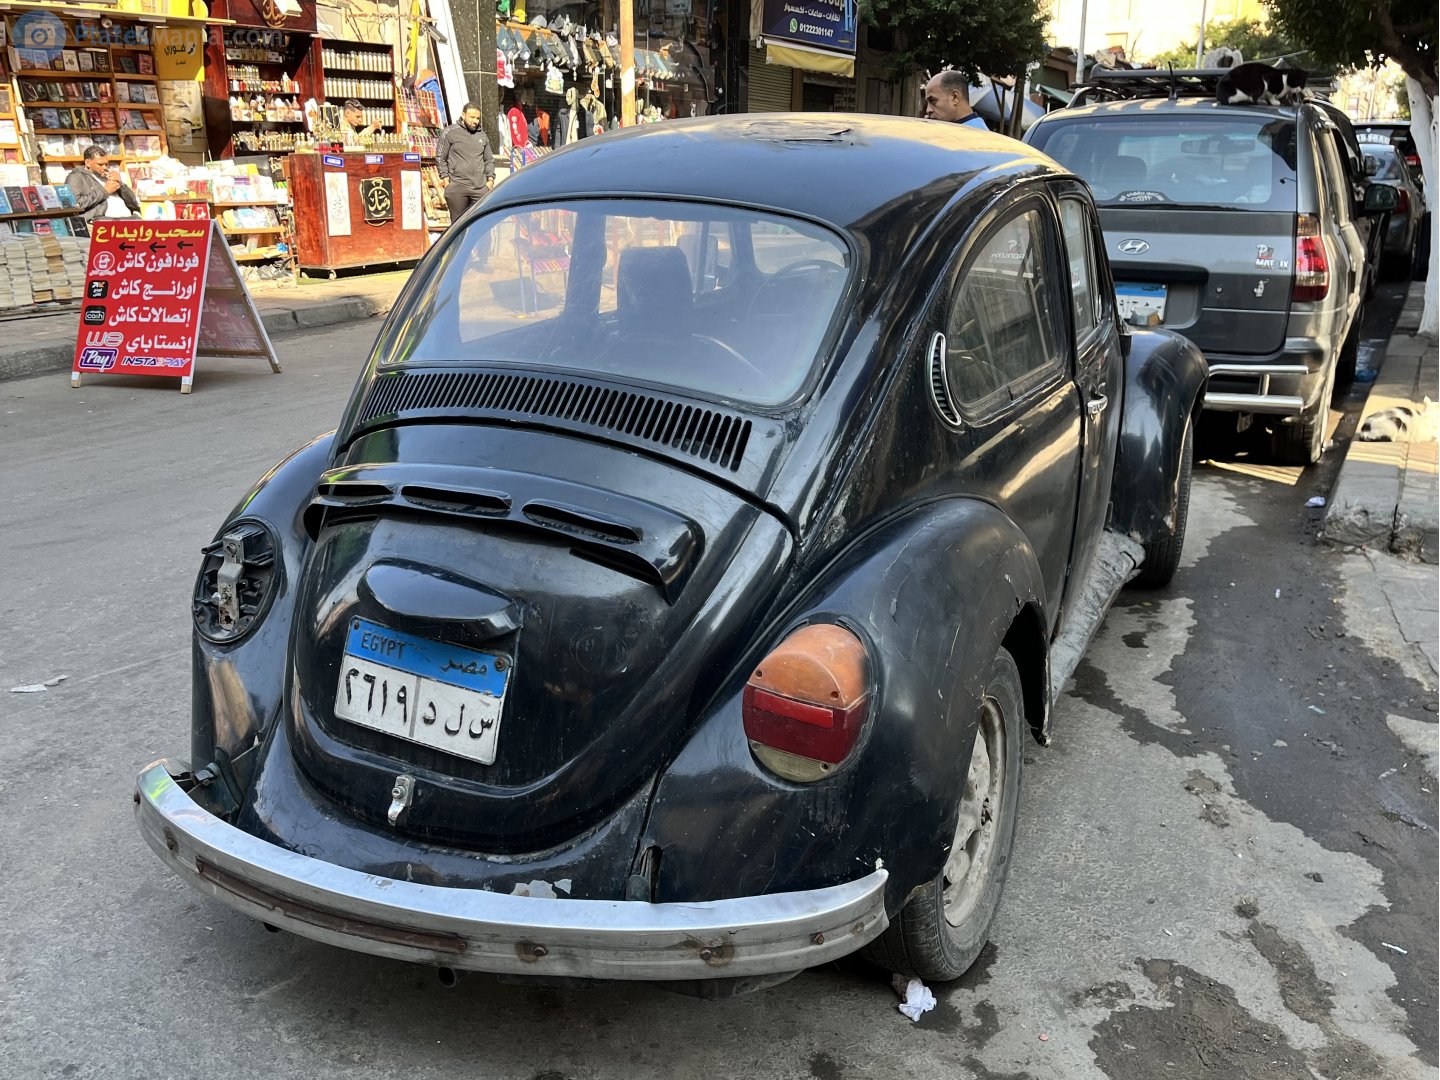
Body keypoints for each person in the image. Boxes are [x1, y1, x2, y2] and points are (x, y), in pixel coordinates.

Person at [436, 101, 496, 225]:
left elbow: (489, 159)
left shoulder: (482, 135)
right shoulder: (450, 132)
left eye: (478, 118)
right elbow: (440, 157)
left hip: (479, 189)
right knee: (458, 226)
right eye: (472, 117)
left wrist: (490, 181)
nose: (475, 121)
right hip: (457, 188)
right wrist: (446, 180)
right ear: (463, 115)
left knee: (480, 225)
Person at [66, 145, 140, 230]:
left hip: (128, 220)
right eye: (100, 164)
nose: (104, 167)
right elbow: (75, 204)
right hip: (100, 223)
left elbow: (133, 203)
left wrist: (121, 184)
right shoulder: (76, 177)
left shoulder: (108, 175)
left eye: (106, 164)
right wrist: (105, 191)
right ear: (88, 163)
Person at [922, 71, 989, 130]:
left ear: (954, 97)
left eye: (933, 101)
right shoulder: (974, 131)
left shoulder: (973, 136)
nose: (928, 110)